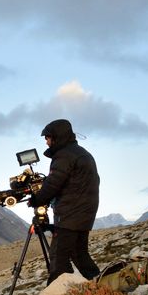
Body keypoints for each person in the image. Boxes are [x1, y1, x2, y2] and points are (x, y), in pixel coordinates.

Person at [28, 119, 100, 284]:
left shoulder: (64, 155)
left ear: (56, 137)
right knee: (79, 253)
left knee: (58, 258)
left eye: (47, 138)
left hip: (70, 215)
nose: (46, 142)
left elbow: (53, 184)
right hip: (84, 213)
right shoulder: (80, 152)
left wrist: (36, 200)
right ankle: (99, 283)